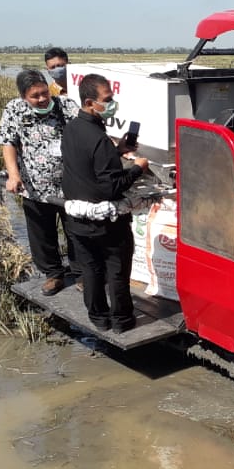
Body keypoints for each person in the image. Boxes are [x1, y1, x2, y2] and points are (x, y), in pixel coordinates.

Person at [61, 73, 149, 332]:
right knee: (117, 271)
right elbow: (112, 186)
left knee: (90, 271)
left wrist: (117, 151)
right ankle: (122, 321)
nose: (112, 104)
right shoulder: (98, 138)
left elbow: (85, 166)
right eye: (107, 99)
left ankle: (98, 320)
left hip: (77, 220)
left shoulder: (72, 129)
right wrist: (137, 168)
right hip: (106, 222)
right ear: (90, 102)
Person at [0, 70, 81, 296]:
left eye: (45, 93)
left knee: (76, 230)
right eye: (35, 96)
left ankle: (82, 274)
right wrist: (14, 176)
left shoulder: (66, 105)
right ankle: (53, 275)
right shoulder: (14, 110)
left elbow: (85, 131)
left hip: (69, 184)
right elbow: (8, 143)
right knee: (41, 233)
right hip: (34, 185)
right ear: (24, 96)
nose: (43, 99)